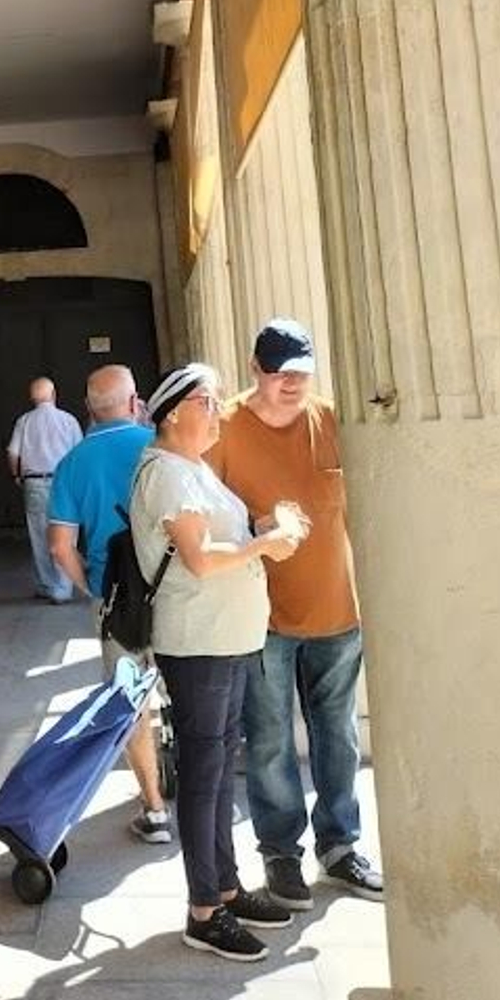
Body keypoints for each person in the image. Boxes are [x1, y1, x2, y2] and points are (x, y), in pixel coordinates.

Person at [208, 319, 383, 909]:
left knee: (337, 734)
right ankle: (281, 854)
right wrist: (252, 531)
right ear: (255, 370)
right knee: (270, 739)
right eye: (281, 374)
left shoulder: (333, 420)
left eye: (301, 374)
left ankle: (340, 846)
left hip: (337, 608)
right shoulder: (223, 430)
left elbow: (368, 502)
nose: (292, 385)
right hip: (260, 618)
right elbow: (201, 518)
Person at [134, 361, 305, 962]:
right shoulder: (168, 474)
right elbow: (200, 560)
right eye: (207, 401)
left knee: (217, 766)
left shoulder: (193, 470)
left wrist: (263, 526)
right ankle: (204, 909)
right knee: (205, 775)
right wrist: (262, 543)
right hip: (199, 641)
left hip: (224, 637)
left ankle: (226, 889)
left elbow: (219, 536)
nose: (217, 412)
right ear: (176, 411)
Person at [47, 363, 170, 844]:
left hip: (118, 597)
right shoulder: (158, 448)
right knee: (188, 687)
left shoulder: (74, 462)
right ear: (135, 401)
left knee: (129, 699)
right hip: (176, 588)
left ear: (89, 411)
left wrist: (92, 586)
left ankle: (154, 808)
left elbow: (60, 545)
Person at [7, 378, 82, 601]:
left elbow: (13, 453)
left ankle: (46, 584)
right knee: (65, 532)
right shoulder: (68, 420)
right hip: (63, 483)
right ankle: (63, 587)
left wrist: (17, 475)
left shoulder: (24, 421)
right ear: (54, 394)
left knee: (39, 534)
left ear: (32, 397)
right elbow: (79, 454)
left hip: (34, 482)